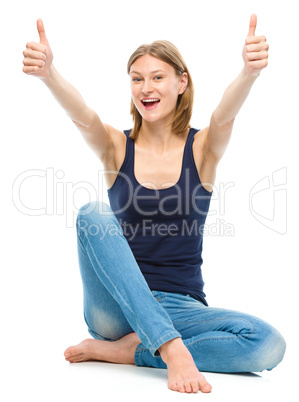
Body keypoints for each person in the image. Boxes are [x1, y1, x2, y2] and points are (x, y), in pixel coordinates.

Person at [22, 14, 286, 394]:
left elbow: (224, 118)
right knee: (92, 213)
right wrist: (49, 74)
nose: (146, 87)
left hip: (182, 307)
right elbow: (82, 117)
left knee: (267, 343)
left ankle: (134, 352)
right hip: (116, 308)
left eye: (158, 77)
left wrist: (248, 72)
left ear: (182, 82)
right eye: (137, 78)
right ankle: (170, 349)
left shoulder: (201, 149)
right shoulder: (116, 147)